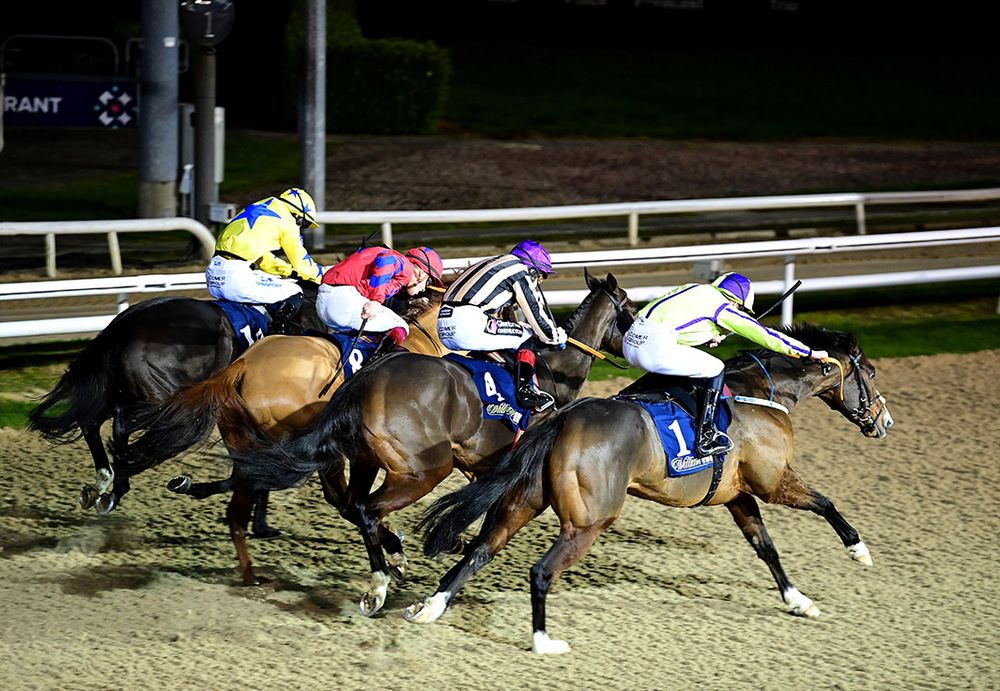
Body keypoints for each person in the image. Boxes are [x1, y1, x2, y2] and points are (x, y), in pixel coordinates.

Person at [623, 272, 829, 457]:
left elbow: (673, 322)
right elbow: (766, 336)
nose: (738, 311)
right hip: (652, 350)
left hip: (630, 342)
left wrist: (709, 334)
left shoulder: (696, 289)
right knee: (715, 368)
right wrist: (808, 351)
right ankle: (707, 434)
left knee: (685, 362)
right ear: (736, 302)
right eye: (740, 309)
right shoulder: (724, 308)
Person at [438, 239, 567, 411]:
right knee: (526, 335)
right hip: (467, 324)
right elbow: (537, 318)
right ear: (534, 270)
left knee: (507, 333)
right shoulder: (521, 272)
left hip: (443, 324)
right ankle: (525, 391)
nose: (540, 282)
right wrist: (555, 336)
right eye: (542, 276)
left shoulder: (494, 262)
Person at [205, 187, 325, 332]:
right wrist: (324, 276)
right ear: (298, 216)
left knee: (268, 279)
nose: (301, 228)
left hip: (213, 275)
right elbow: (303, 264)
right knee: (294, 291)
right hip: (235, 278)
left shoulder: (257, 208)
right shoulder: (288, 222)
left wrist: (288, 271)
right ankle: (277, 335)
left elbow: (264, 259)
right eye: (304, 224)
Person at [318, 245, 444, 352]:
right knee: (401, 326)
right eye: (429, 282)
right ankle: (377, 362)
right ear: (421, 274)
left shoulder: (397, 274)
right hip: (341, 301)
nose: (425, 289)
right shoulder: (407, 268)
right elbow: (386, 261)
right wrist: (376, 301)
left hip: (326, 301)